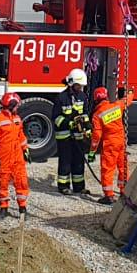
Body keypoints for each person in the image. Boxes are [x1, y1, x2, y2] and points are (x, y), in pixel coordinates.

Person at [90, 85, 134, 206]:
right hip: (121, 142)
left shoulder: (97, 114)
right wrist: (130, 91)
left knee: (107, 169)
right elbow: (127, 100)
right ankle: (124, 190)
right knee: (122, 167)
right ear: (106, 97)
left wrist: (92, 151)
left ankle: (109, 196)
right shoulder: (116, 106)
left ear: (96, 99)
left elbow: (96, 136)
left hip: (110, 144)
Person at [0, 92, 29, 219]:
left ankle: (23, 209)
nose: (18, 108)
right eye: (16, 105)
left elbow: (21, 135)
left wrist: (25, 149)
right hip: (3, 158)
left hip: (18, 158)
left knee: (21, 182)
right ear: (11, 105)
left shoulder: (17, 119)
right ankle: (3, 209)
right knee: (3, 183)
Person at [53, 69, 90, 197]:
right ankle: (63, 186)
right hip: (64, 137)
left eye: (81, 86)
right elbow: (56, 118)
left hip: (78, 136)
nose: (80, 88)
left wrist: (87, 128)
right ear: (72, 83)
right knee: (65, 161)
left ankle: (79, 187)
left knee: (79, 161)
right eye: (78, 85)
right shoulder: (61, 98)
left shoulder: (82, 97)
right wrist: (69, 123)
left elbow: (85, 114)